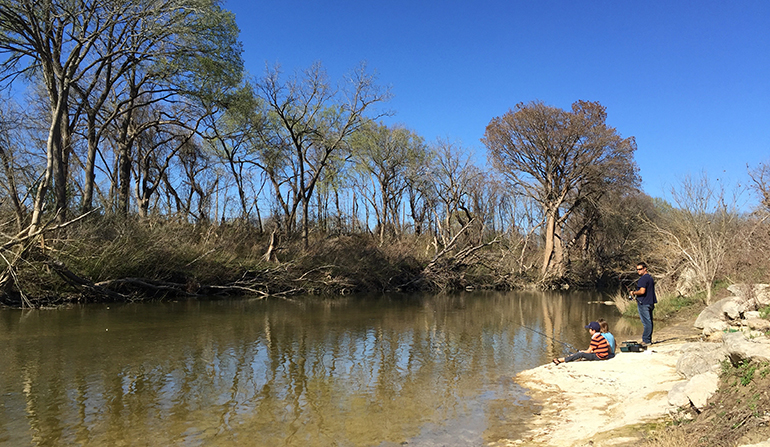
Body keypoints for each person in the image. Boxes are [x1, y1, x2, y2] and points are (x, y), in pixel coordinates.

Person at [629, 262, 657, 346]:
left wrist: (633, 292)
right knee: (649, 321)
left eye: (640, 269)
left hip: (644, 303)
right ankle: (648, 339)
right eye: (637, 269)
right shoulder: (650, 278)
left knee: (646, 322)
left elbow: (642, 291)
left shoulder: (643, 279)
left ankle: (646, 340)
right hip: (650, 302)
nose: (638, 271)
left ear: (645, 268)